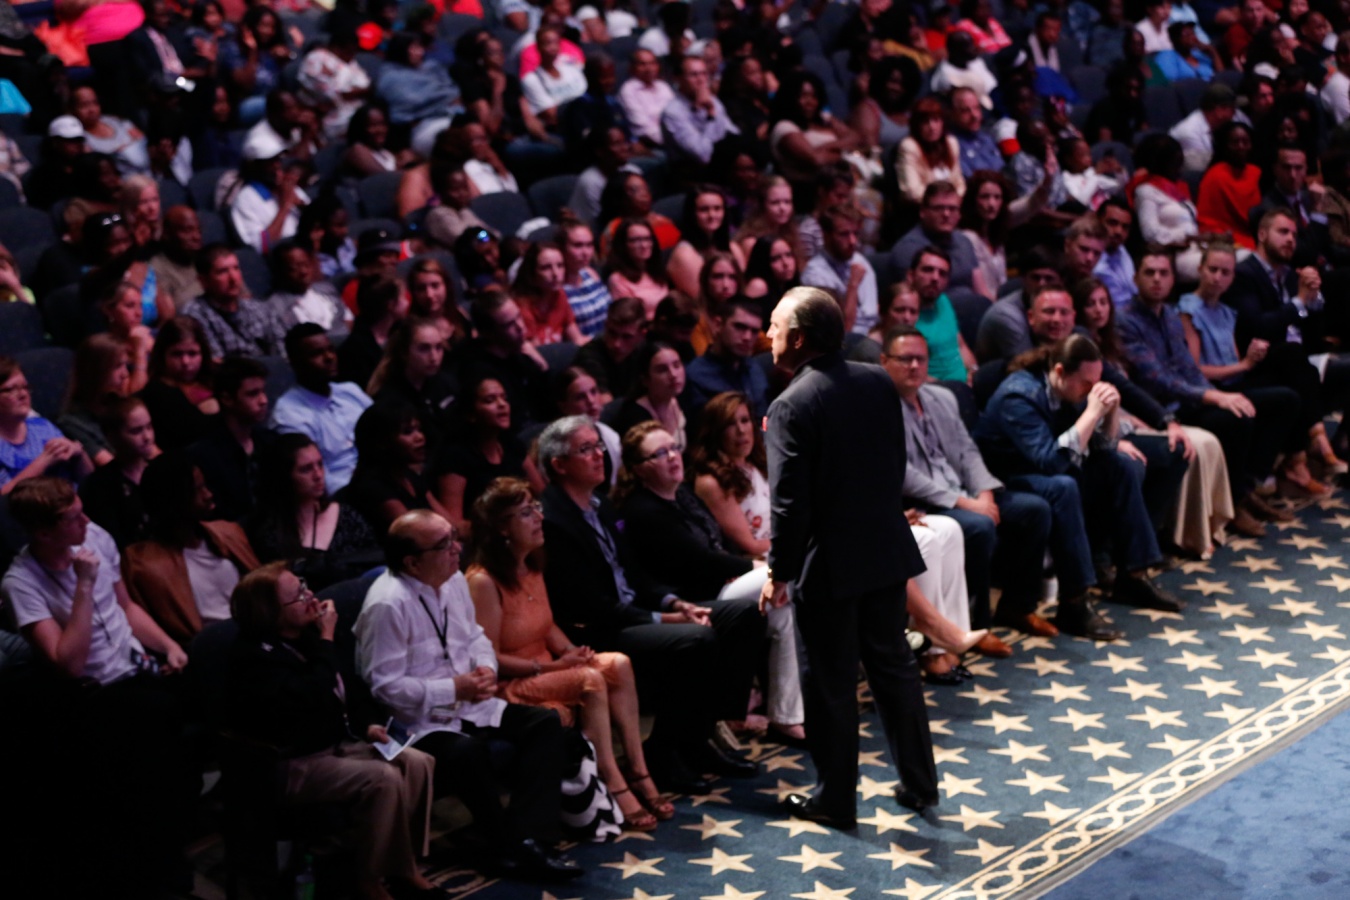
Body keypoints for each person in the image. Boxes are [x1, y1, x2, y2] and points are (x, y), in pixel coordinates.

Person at [760, 287, 936, 829]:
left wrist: (779, 571)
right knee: (894, 668)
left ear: (798, 338)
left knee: (830, 685)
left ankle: (835, 799)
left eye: (775, 325)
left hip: (828, 567)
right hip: (883, 549)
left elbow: (789, 504)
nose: (768, 334)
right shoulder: (877, 380)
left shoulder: (791, 404)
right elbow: (893, 463)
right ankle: (920, 783)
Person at [354, 509, 584, 880]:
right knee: (466, 752)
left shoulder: (454, 580)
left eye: (453, 538)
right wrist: (454, 687)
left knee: (544, 723)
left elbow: (476, 637)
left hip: (469, 702)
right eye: (443, 544)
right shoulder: (387, 604)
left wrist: (486, 670)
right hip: (417, 722)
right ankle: (503, 844)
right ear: (412, 562)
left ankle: (529, 839)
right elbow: (385, 686)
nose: (456, 549)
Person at [538, 415, 763, 793]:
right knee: (696, 639)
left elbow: (635, 574)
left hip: (634, 611)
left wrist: (675, 602)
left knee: (742, 614)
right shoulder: (553, 520)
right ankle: (663, 752)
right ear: (559, 464)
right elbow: (589, 604)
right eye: (585, 449)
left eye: (598, 445)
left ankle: (699, 737)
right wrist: (662, 618)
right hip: (599, 629)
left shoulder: (601, 505)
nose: (598, 454)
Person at [1, 477, 192, 894]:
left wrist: (168, 645)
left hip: (139, 668)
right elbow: (67, 664)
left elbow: (126, 607)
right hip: (95, 695)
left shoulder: (96, 537)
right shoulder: (20, 584)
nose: (87, 521)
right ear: (43, 533)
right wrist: (83, 585)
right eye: (73, 518)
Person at [466, 477, 673, 832]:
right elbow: (490, 659)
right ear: (502, 528)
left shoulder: (531, 563)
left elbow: (545, 624)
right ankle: (611, 780)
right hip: (510, 684)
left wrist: (571, 651)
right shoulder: (483, 581)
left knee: (618, 664)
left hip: (548, 668)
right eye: (526, 513)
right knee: (589, 679)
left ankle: (639, 771)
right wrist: (553, 666)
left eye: (536, 508)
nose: (539, 517)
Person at [226, 562, 440, 900]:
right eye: (298, 596)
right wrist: (326, 638)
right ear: (270, 612)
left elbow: (347, 689)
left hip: (336, 744)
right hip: (292, 763)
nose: (310, 596)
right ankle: (369, 879)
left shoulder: (307, 636)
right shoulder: (254, 656)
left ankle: (404, 866)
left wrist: (367, 726)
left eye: (304, 586)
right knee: (383, 778)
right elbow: (310, 696)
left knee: (417, 761)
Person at [973, 334, 1182, 638]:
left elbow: (1102, 447)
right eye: (1086, 383)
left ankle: (1134, 576)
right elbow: (1050, 462)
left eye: (1096, 382)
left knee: (1120, 465)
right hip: (1006, 478)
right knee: (1064, 486)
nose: (1091, 391)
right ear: (1060, 372)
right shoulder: (1018, 396)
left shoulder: (1069, 390)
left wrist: (1110, 413)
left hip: (1044, 471)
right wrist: (1093, 412)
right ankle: (1074, 602)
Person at [617, 420, 806, 744]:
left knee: (784, 613)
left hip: (723, 583)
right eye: (659, 454)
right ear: (639, 469)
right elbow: (698, 560)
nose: (672, 456)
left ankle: (786, 718)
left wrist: (745, 567)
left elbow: (717, 545)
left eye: (673, 448)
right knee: (789, 572)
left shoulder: (682, 494)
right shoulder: (643, 510)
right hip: (696, 598)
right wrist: (755, 565)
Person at [881, 326, 1053, 640]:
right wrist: (965, 503)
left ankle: (1018, 606)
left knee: (1034, 510)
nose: (914, 366)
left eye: (921, 359)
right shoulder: (877, 408)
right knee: (979, 525)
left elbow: (967, 450)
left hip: (966, 493)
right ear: (884, 361)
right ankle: (977, 623)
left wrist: (985, 494)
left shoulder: (941, 397)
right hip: (924, 502)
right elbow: (902, 474)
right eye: (905, 359)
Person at [120, 449, 258, 645]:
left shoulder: (228, 533)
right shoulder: (142, 564)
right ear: (174, 501)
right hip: (210, 648)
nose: (208, 494)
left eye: (205, 486)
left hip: (256, 634)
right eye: (197, 490)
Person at [247, 434, 381, 590]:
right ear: (284, 476)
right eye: (306, 469)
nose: (318, 475)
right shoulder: (271, 531)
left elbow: (373, 560)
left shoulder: (347, 516)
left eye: (320, 464)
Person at [271, 323, 373, 494]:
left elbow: (388, 432)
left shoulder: (350, 391)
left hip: (383, 478)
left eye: (331, 349)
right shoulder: (289, 413)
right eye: (316, 353)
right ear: (295, 362)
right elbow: (315, 478)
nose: (329, 357)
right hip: (344, 493)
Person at [432, 375, 527, 535]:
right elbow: (454, 524)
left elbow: (542, 493)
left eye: (504, 398)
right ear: (471, 414)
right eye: (490, 400)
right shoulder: (455, 456)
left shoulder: (512, 445)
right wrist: (505, 529)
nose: (502, 404)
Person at [188, 356, 274, 524]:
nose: (263, 400)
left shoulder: (270, 442)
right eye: (253, 394)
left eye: (263, 391)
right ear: (227, 399)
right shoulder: (204, 456)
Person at [0, 356, 94, 493]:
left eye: (25, 387)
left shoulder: (42, 426)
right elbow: (2, 497)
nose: (23, 394)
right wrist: (44, 461)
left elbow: (90, 482)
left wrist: (79, 455)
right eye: (10, 389)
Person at [181, 245, 287, 360]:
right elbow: (216, 362)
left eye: (236, 268)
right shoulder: (194, 316)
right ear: (203, 281)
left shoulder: (261, 309)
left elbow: (283, 354)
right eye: (222, 271)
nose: (233, 278)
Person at [78, 397, 155, 549]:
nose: (147, 437)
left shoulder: (164, 473)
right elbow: (111, 542)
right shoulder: (98, 486)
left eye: (149, 427)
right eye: (136, 431)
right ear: (112, 437)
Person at [890, 181, 984, 294]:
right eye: (939, 208)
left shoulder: (964, 241)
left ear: (959, 214)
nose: (946, 214)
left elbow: (981, 289)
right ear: (923, 212)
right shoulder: (907, 249)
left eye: (952, 209)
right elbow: (916, 299)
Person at [801, 204, 878, 336]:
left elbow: (872, 315)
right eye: (844, 234)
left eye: (855, 233)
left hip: (874, 336)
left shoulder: (860, 261)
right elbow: (842, 329)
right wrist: (853, 285)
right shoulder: (815, 274)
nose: (853, 241)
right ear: (826, 235)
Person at [57, 334, 132, 468]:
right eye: (117, 366)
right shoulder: (71, 423)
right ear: (94, 372)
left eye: (126, 365)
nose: (125, 374)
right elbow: (113, 467)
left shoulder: (119, 404)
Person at [686, 298, 770, 418]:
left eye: (754, 331)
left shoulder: (755, 370)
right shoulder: (696, 376)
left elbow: (764, 419)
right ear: (718, 325)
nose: (747, 337)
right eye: (739, 327)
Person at [606, 341, 692, 455]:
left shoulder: (686, 399)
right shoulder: (634, 417)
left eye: (676, 365)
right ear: (645, 380)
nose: (673, 375)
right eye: (662, 370)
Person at [660, 55, 738, 175]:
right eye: (694, 75)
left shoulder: (713, 100)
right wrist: (711, 116)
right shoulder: (672, 112)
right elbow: (703, 155)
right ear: (677, 79)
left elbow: (733, 133)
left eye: (704, 73)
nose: (701, 80)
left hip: (723, 164)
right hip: (692, 173)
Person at [668, 185, 747, 300]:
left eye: (717, 209)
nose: (712, 215)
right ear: (692, 214)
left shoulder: (733, 247)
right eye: (704, 210)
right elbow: (699, 300)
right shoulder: (685, 254)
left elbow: (742, 289)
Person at [1196, 121, 1262, 250]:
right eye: (1235, 142)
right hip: (1225, 238)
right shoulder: (1215, 176)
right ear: (1225, 145)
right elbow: (1208, 219)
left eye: (1245, 142)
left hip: (1257, 236)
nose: (1241, 146)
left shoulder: (1256, 173)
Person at [266, 239, 350, 340]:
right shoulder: (274, 307)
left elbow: (348, 320)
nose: (303, 271)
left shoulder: (327, 289)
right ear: (280, 272)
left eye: (306, 264)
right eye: (294, 268)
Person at [896, 97, 966, 208]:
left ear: (942, 122)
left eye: (936, 120)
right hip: (922, 208)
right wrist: (941, 203)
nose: (932, 127)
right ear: (917, 126)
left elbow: (959, 183)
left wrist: (953, 201)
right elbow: (911, 191)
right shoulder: (909, 146)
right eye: (925, 122)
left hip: (952, 206)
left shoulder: (951, 143)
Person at [512, 242, 584, 346]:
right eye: (546, 268)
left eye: (560, 266)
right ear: (531, 273)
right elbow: (535, 351)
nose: (556, 273)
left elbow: (577, 337)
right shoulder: (521, 307)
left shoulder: (559, 294)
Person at [557, 211, 612, 340]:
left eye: (589, 245)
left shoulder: (590, 273)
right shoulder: (556, 287)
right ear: (561, 248)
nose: (586, 252)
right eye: (578, 245)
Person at [604, 217, 670, 318]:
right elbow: (629, 320)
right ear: (623, 245)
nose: (644, 245)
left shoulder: (656, 271)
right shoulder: (618, 280)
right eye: (636, 240)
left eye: (647, 239)